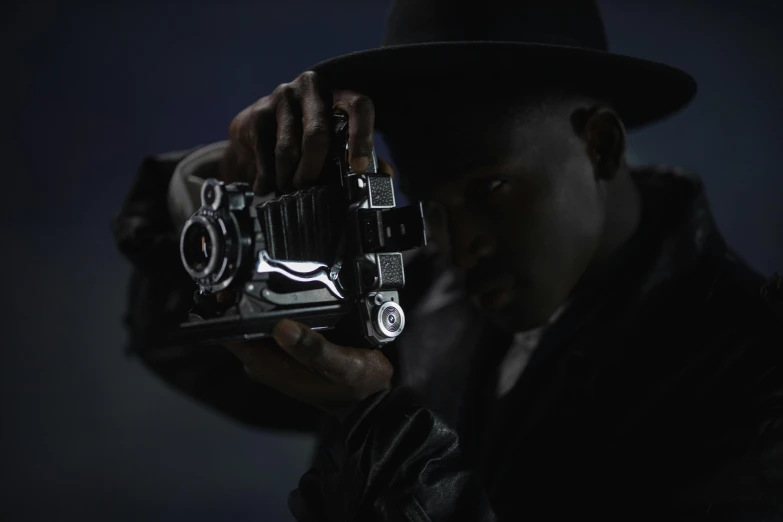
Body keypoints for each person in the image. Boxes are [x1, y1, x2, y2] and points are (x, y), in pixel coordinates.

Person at [111, 0, 783, 520]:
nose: (459, 246)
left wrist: (377, 426)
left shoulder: (752, 374)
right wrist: (212, 181)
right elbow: (178, 341)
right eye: (427, 205)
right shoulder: (422, 299)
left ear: (600, 146)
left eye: (487, 189)